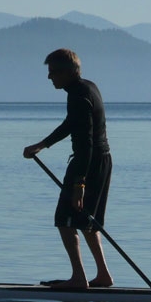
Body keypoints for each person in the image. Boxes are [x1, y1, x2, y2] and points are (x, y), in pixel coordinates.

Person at [23, 48, 114, 289]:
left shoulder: (78, 95)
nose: (49, 77)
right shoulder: (86, 87)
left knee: (65, 219)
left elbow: (85, 143)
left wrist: (79, 184)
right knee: (86, 220)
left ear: (67, 72)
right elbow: (71, 125)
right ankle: (103, 275)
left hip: (88, 161)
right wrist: (42, 145)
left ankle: (78, 278)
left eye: (53, 72)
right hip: (102, 160)